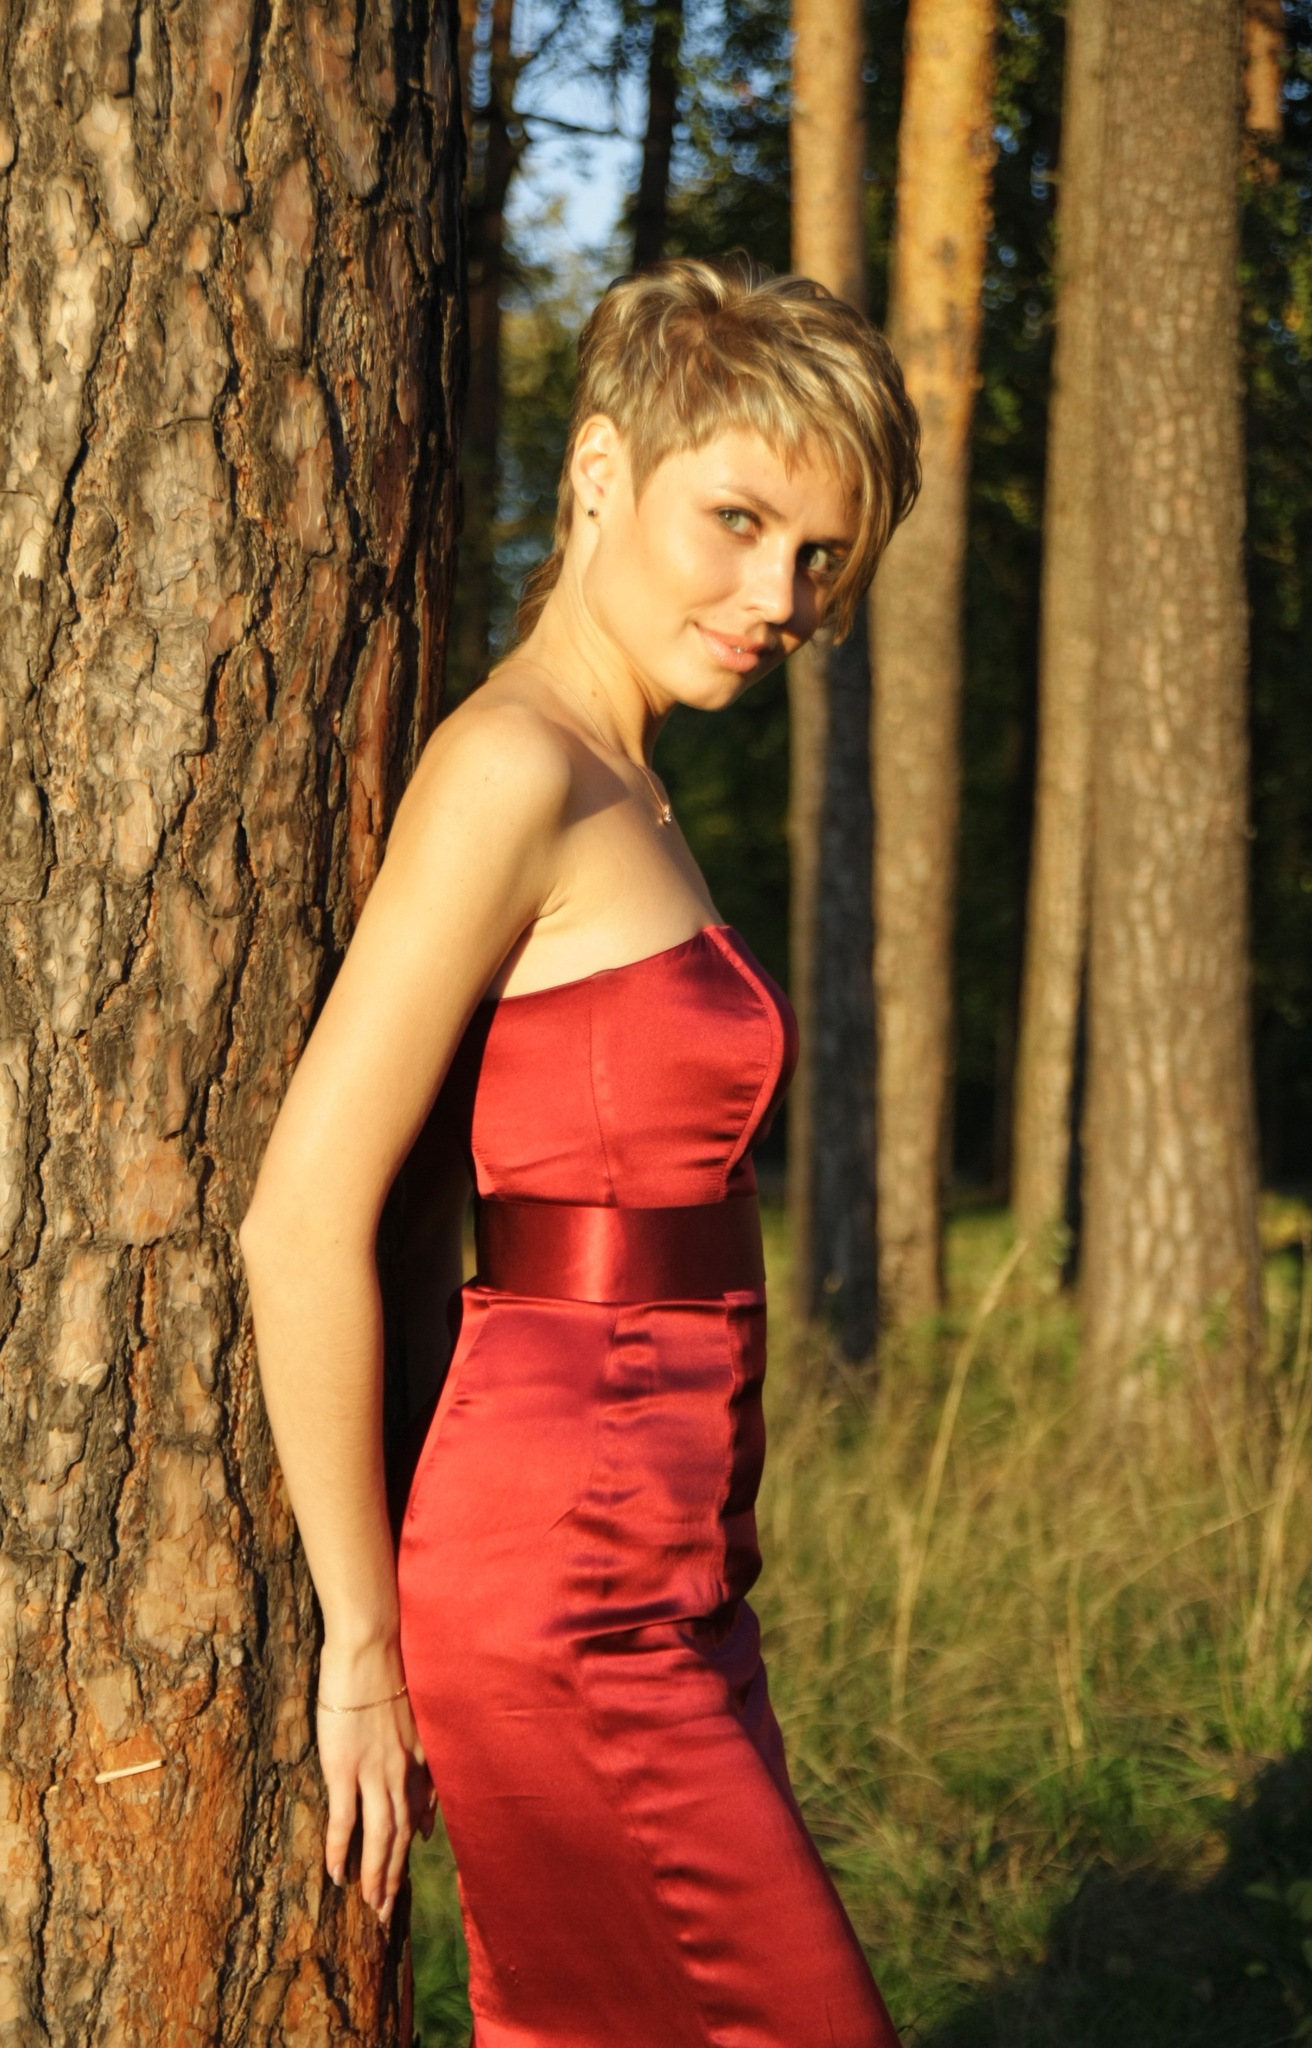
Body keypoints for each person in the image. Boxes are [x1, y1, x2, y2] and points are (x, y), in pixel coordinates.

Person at [239, 253, 920, 2044]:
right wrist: (361, 1644)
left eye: (817, 556)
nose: (778, 598)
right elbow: (299, 1217)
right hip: (558, 1589)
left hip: (674, 1571)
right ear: (602, 468)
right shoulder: (514, 770)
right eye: (739, 521)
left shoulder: (630, 779)